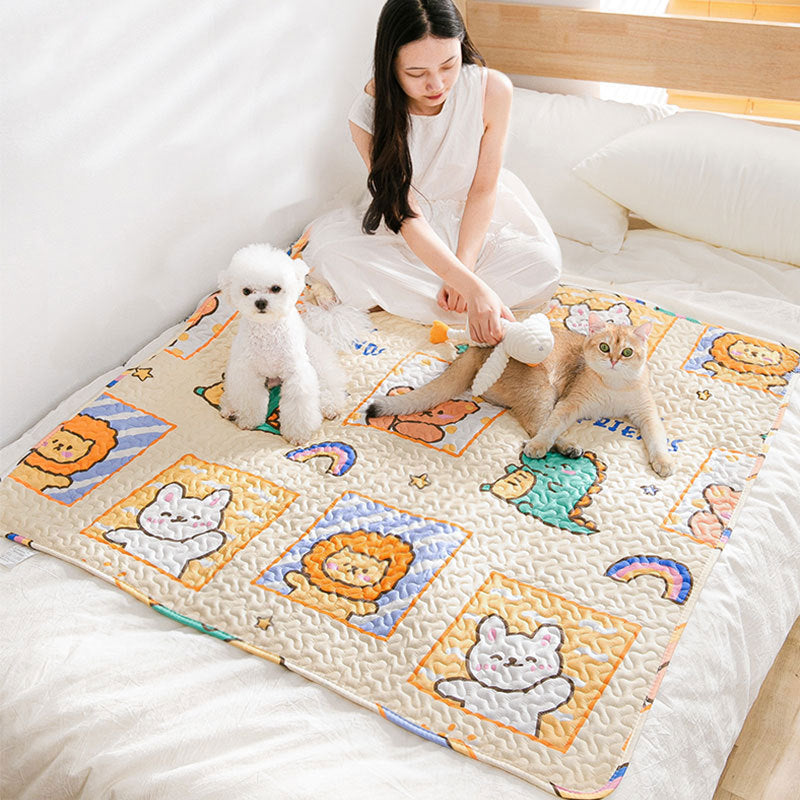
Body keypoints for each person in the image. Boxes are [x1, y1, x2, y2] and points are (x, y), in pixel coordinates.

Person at [302, 0, 561, 345]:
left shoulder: (492, 90)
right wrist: (472, 286)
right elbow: (406, 215)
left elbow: (483, 189)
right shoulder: (368, 114)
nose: (436, 83)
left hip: (475, 220)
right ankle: (474, 298)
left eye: (449, 64)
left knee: (542, 265)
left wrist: (463, 273)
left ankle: (451, 296)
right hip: (407, 228)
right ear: (391, 65)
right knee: (336, 258)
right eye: (416, 73)